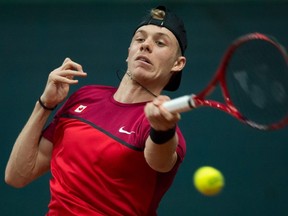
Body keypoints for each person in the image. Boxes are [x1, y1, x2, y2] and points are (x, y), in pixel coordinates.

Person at [5, 5, 187, 216]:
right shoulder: (86, 96)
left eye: (160, 42)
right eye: (140, 39)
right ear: (129, 52)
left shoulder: (157, 125)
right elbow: (17, 176)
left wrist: (163, 129)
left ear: (178, 63)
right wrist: (45, 104)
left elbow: (161, 160)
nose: (146, 46)